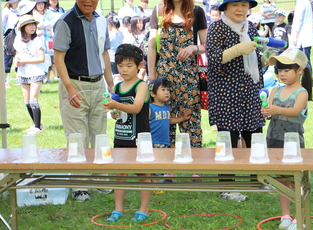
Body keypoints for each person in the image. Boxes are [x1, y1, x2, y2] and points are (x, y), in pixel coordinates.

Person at [206, 0, 267, 201]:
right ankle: (227, 187)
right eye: (235, 5)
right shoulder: (216, 27)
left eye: (244, 5)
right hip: (226, 92)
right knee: (228, 140)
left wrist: (266, 58)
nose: (240, 9)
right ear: (225, 8)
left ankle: (257, 180)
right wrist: (237, 49)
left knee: (254, 135)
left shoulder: (250, 26)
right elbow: (213, 60)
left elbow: (257, 56)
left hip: (250, 90)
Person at [53, 0, 113, 201]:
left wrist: (111, 85)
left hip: (98, 85)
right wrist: (69, 89)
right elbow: (58, 58)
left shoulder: (101, 21)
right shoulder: (65, 21)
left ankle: (99, 180)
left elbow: (104, 54)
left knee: (99, 133)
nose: (89, 1)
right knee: (77, 136)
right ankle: (79, 185)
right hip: (74, 84)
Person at [262, 48, 313, 230]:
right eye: (279, 71)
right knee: (281, 181)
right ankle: (285, 215)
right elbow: (270, 114)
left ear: (299, 70)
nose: (282, 74)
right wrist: (266, 112)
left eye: (286, 70)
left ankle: (299, 217)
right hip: (274, 140)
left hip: (292, 144)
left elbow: (294, 112)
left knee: (294, 180)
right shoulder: (275, 90)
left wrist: (276, 110)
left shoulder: (302, 92)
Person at [148, 0, 207, 148]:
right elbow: (152, 45)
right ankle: (167, 166)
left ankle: (194, 166)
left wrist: (193, 47)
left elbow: (207, 45)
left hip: (188, 77)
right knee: (164, 121)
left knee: (191, 121)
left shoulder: (197, 11)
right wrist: (151, 76)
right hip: (163, 77)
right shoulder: (158, 10)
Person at [102, 44, 151, 223]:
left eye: (129, 66)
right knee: (119, 174)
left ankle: (143, 209)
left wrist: (116, 106)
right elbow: (117, 114)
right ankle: (118, 209)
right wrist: (113, 112)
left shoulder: (142, 86)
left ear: (139, 66)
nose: (124, 69)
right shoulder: (116, 87)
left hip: (140, 137)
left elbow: (137, 108)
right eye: (120, 65)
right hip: (121, 137)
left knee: (142, 174)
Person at [13, 15, 45, 134]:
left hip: (36, 71)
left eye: (34, 25)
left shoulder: (37, 40)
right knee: (27, 102)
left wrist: (24, 61)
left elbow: (41, 58)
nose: (32, 27)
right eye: (29, 25)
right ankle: (37, 124)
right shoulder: (17, 39)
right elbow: (18, 54)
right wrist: (17, 61)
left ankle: (37, 128)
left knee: (33, 100)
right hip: (23, 72)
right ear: (23, 27)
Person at [33, 0, 54, 83]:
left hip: (49, 38)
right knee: (41, 57)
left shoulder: (48, 12)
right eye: (39, 4)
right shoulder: (34, 14)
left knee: (49, 58)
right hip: (40, 39)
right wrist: (46, 25)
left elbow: (52, 23)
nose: (41, 6)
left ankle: (47, 77)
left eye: (42, 4)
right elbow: (38, 25)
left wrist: (44, 25)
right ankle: (40, 77)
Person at [291, 0, 313, 73]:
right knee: (304, 60)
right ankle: (307, 81)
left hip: (302, 38)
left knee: (303, 61)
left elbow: (299, 21)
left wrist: (295, 36)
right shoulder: (306, 3)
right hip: (305, 37)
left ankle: (308, 81)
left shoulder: (301, 4)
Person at [2, 0, 20, 88]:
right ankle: (4, 81)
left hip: (19, 37)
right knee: (7, 60)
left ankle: (19, 79)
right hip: (8, 38)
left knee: (19, 57)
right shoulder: (6, 11)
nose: (16, 3)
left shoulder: (19, 10)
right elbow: (2, 25)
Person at [46, 0, 65, 80]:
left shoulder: (61, 10)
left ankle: (60, 74)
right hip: (50, 36)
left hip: (62, 35)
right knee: (52, 57)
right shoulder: (47, 11)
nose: (54, 1)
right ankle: (50, 76)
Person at [106, 12, 124, 84]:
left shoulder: (110, 34)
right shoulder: (120, 33)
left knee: (113, 75)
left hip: (111, 57)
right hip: (118, 57)